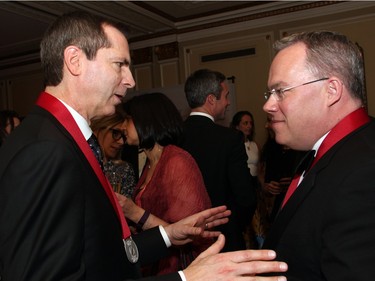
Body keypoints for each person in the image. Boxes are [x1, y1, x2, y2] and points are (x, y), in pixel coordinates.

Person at [0, 11, 288, 281]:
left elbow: (100, 251)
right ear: (74, 61)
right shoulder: (45, 150)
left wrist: (167, 234)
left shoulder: (55, 137)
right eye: (119, 64)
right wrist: (186, 278)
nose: (130, 80)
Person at [262, 30, 375, 280]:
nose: (268, 105)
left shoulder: (365, 172)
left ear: (331, 90)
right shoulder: (329, 149)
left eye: (280, 91)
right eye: (269, 93)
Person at [122, 92, 212, 275]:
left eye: (128, 119)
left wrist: (133, 212)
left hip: (180, 269)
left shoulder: (176, 161)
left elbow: (190, 234)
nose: (123, 126)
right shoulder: (151, 162)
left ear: (147, 120)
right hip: (157, 264)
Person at [181, 69, 257, 252]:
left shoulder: (173, 136)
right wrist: (236, 226)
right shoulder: (230, 139)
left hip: (183, 240)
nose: (228, 102)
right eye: (226, 96)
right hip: (224, 238)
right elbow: (244, 194)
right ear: (211, 99)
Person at [251, 117, 305, 249]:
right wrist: (265, 186)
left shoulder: (300, 147)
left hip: (293, 204)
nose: (266, 126)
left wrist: (293, 182)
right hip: (270, 204)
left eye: (270, 121)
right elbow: (261, 173)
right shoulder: (269, 147)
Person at [90, 107, 137, 197]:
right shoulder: (79, 161)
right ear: (98, 128)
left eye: (124, 136)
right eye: (115, 133)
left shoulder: (123, 170)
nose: (121, 142)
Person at [230, 110, 260, 185]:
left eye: (251, 123)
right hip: (240, 184)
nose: (249, 126)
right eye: (245, 123)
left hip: (254, 183)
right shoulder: (232, 146)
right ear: (237, 126)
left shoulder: (255, 144)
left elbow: (260, 168)